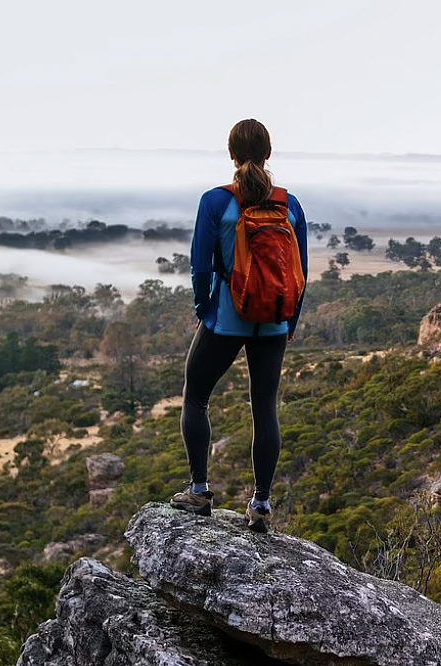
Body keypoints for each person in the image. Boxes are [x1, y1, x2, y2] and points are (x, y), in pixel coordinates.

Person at [169, 119, 308, 533]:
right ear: (269, 154)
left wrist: (203, 309)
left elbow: (200, 267)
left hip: (226, 318)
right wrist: (289, 322)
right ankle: (261, 505)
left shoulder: (216, 202)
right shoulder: (290, 205)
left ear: (231, 155)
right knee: (264, 407)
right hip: (274, 322)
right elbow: (301, 272)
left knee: (196, 396)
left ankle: (199, 491)